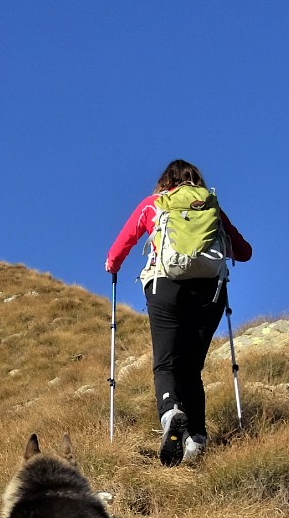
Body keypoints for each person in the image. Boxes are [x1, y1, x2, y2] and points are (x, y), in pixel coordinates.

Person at [105, 159, 252, 466]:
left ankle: (171, 411)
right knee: (191, 368)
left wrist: (112, 265)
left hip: (165, 287)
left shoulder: (153, 204)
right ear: (196, 179)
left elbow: (120, 246)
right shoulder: (210, 207)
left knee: (167, 362)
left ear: (165, 182)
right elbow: (244, 252)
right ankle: (197, 439)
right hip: (210, 293)